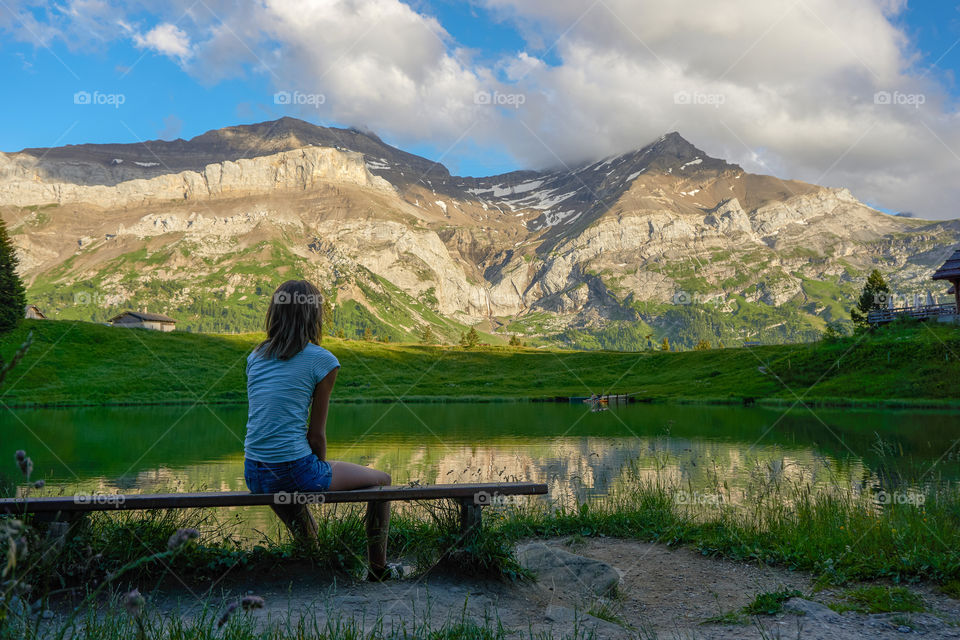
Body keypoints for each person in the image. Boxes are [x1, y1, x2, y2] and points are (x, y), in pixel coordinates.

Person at [243, 279, 392, 579]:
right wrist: (318, 469)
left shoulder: (255, 357)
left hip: (255, 472)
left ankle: (314, 572)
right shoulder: (322, 360)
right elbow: (316, 435)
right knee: (383, 481)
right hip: (292, 469)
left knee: (308, 534)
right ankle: (379, 570)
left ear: (275, 312)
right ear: (313, 315)